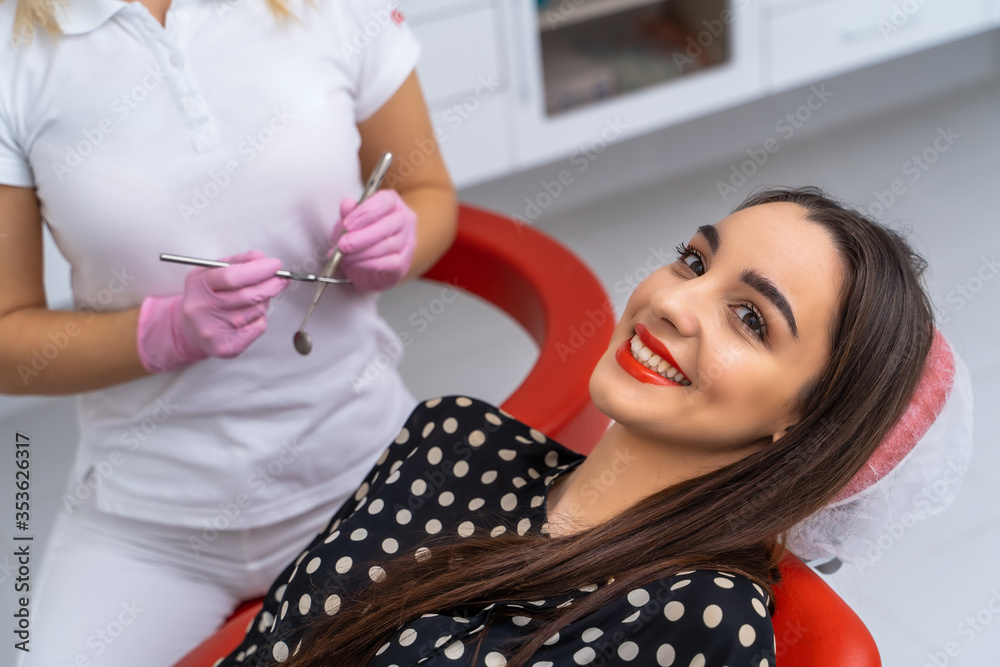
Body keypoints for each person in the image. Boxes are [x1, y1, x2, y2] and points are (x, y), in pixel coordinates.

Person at [213, 187, 972, 667]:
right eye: (693, 260)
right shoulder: (455, 437)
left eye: (750, 318)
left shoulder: (700, 622)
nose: (675, 301)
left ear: (803, 423)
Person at [0, 0, 456, 664]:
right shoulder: (15, 54)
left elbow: (428, 189)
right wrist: (157, 334)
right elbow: (9, 345)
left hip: (365, 479)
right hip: (144, 524)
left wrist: (401, 242)